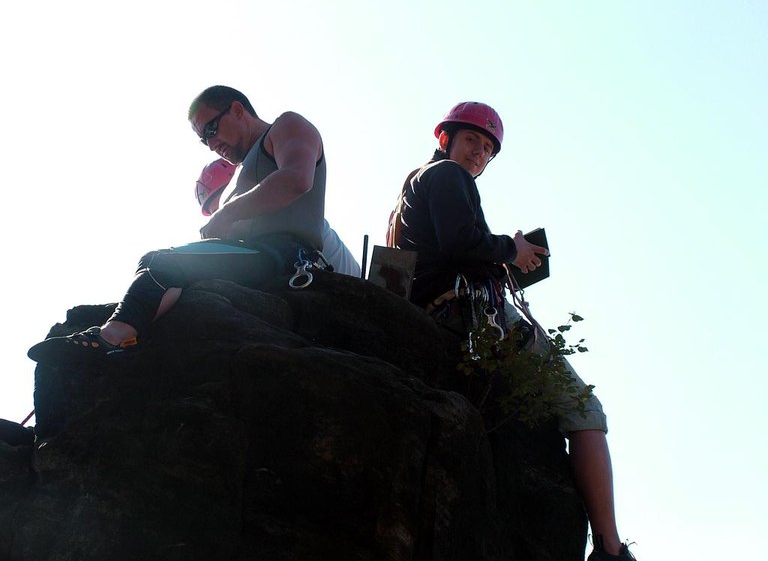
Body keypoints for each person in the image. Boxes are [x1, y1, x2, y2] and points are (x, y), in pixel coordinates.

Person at [387, 101, 635, 561]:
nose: (478, 154)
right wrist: (510, 249)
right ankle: (611, 549)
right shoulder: (447, 175)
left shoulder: (413, 190)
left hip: (438, 311)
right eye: (471, 141)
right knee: (584, 408)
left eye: (487, 149)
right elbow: (461, 243)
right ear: (445, 138)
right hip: (472, 314)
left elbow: (446, 253)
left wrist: (508, 259)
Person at [29, 85, 328, 361]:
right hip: (256, 256)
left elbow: (297, 179)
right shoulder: (240, 170)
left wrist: (226, 214)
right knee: (158, 263)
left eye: (211, 129)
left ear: (238, 110)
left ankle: (109, 337)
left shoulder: (287, 125)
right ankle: (128, 337)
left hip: (283, 255)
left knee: (163, 261)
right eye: (204, 138)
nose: (211, 144)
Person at [196, 159, 361, 277]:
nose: (221, 221)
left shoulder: (280, 217)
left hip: (343, 289)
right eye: (215, 214)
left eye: (223, 208)